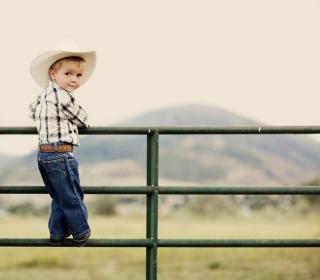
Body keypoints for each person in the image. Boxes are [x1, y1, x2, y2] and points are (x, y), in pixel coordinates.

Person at [28, 40, 96, 246]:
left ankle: (57, 234)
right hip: (60, 152)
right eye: (68, 74)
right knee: (72, 195)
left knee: (59, 195)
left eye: (78, 75)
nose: (74, 80)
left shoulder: (43, 95)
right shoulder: (63, 97)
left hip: (44, 154)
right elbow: (83, 119)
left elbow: (31, 111)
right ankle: (81, 232)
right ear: (53, 74)